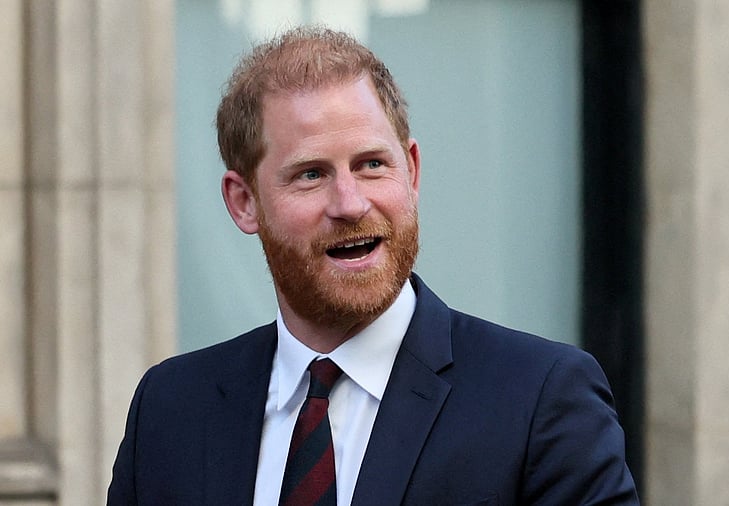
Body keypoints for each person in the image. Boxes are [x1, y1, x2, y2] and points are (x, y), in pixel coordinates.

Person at [107, 26, 638, 506]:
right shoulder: (171, 410)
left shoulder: (540, 399)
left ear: (411, 170)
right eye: (311, 175)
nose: (350, 202)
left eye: (371, 165)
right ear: (244, 202)